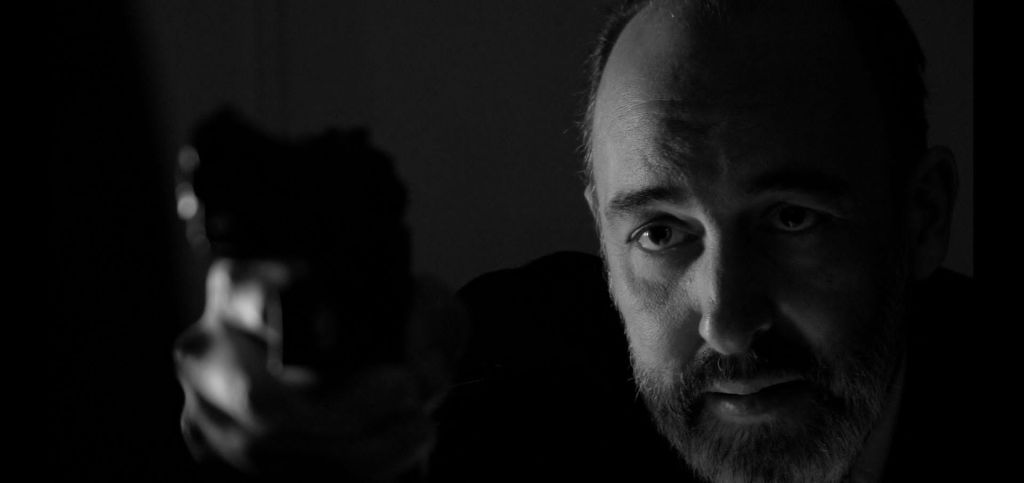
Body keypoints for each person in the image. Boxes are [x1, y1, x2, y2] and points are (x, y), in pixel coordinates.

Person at [173, 0, 975, 481]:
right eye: (660, 232)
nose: (728, 323)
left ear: (923, 218)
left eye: (792, 218)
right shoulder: (504, 398)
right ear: (603, 235)